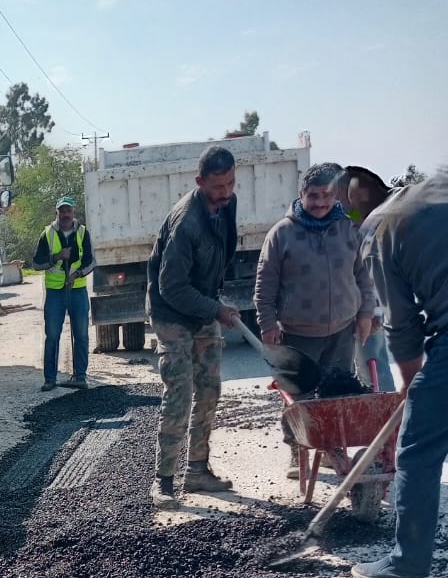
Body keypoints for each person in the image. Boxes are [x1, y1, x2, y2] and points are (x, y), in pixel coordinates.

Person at [351, 170, 448, 578]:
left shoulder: (379, 229)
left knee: (418, 449)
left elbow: (401, 324)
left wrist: (410, 385)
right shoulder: (437, 186)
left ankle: (408, 564)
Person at [254, 162, 376, 474]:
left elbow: (363, 275)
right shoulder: (282, 234)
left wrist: (365, 313)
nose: (320, 203)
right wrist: (267, 325)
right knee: (300, 398)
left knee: (335, 396)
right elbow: (264, 286)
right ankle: (298, 451)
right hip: (298, 334)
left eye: (326, 195)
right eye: (313, 196)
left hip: (342, 331)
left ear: (335, 195)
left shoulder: (349, 227)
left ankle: (332, 447)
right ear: (301, 195)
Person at [146, 146, 241, 507]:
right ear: (200, 182)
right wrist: (215, 309)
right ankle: (164, 480)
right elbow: (171, 287)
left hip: (202, 306)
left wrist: (213, 302)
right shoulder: (186, 223)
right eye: (218, 186)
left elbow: (222, 253)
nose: (226, 192)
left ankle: (198, 470)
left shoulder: (227, 205)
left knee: (210, 388)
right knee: (180, 392)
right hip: (171, 311)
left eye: (230, 183)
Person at [32, 195, 95, 392]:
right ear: (57, 212)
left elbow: (91, 261)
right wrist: (57, 257)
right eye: (62, 210)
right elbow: (36, 263)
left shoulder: (83, 233)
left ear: (73, 212)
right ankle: (50, 379)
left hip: (77, 290)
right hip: (55, 293)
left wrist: (76, 274)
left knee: (81, 335)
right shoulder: (47, 234)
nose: (65, 214)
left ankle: (80, 376)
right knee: (52, 335)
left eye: (68, 210)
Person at [345, 165, 396, 391]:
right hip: (359, 309)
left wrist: (375, 313)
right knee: (366, 367)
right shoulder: (360, 219)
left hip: (370, 311)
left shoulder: (375, 229)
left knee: (374, 366)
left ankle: (385, 406)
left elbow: (375, 275)